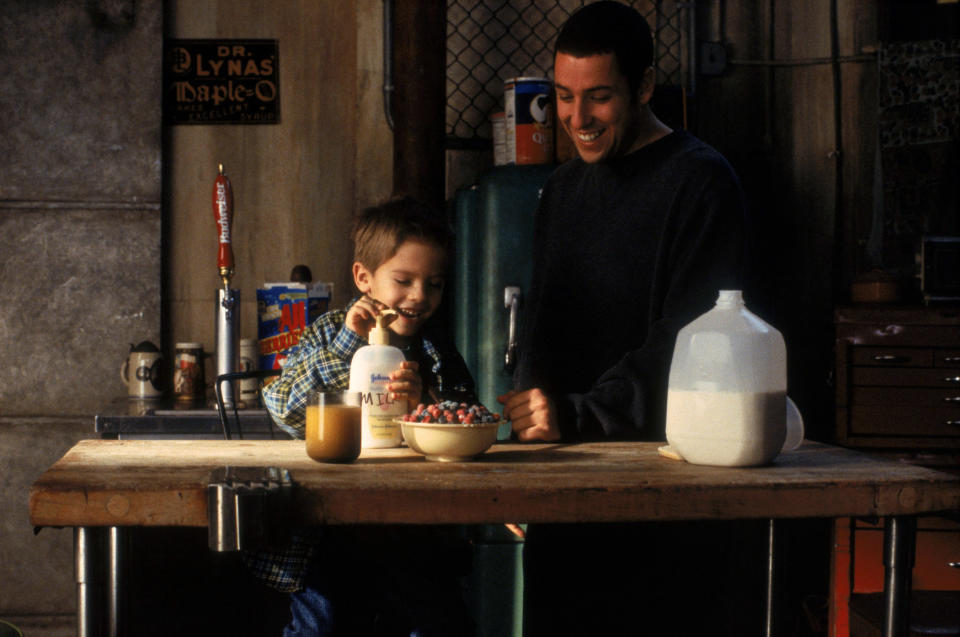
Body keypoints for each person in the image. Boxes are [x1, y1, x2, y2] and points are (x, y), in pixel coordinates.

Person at [497, 3, 761, 635]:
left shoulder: (702, 183)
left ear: (643, 87)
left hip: (664, 497)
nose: (577, 119)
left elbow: (693, 345)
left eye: (598, 98)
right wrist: (526, 457)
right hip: (566, 491)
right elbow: (544, 327)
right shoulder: (561, 190)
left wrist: (576, 415)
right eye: (563, 97)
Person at [254, 196, 477, 637]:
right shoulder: (328, 333)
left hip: (413, 532)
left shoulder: (436, 351)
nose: (419, 296)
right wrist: (346, 346)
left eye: (434, 284)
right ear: (364, 278)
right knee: (323, 627)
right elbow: (285, 409)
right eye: (404, 280)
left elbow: (466, 419)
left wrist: (425, 406)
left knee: (439, 624)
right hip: (328, 531)